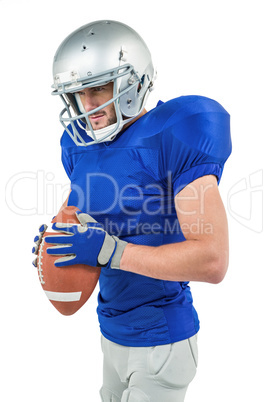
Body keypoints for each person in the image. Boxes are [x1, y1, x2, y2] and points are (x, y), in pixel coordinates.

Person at [33, 20, 232, 401]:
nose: (87, 105)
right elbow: (74, 220)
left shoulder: (174, 132)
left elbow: (213, 259)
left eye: (98, 88)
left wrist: (112, 252)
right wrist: (55, 245)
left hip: (162, 340)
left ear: (132, 82)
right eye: (78, 92)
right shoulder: (79, 147)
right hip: (110, 335)